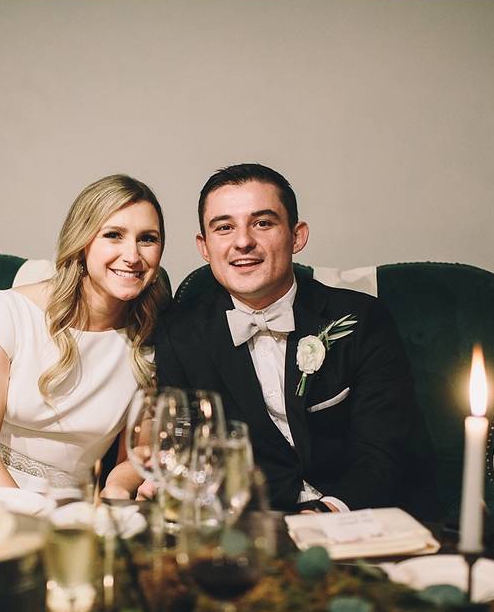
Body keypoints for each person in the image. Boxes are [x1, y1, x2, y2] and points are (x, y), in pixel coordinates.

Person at [154, 163, 438, 516]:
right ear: (204, 246)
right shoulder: (178, 335)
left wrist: (327, 513)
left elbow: (385, 447)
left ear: (296, 235)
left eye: (263, 223)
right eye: (224, 227)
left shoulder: (362, 319)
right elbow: (188, 452)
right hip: (250, 527)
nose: (243, 241)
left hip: (360, 518)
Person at [0, 174, 166, 498]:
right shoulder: (10, 311)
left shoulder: (151, 340)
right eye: (113, 235)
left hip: (68, 511)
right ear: (83, 241)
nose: (132, 255)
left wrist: (116, 487)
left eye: (147, 239)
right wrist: (34, 521)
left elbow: (137, 454)